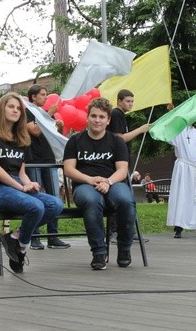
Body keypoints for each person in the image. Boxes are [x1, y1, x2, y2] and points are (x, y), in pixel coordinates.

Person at [0, 92, 64, 274]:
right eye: (11, 106)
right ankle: (22, 249)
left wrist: (30, 184)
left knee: (55, 205)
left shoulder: (21, 138)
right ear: (2, 109)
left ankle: (16, 238)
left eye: (18, 108)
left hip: (17, 184)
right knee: (36, 207)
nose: (15, 111)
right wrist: (21, 187)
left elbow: (22, 172)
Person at [63, 98, 136, 270]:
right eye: (94, 116)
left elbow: (122, 170)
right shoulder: (75, 141)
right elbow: (68, 169)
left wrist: (108, 182)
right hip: (84, 185)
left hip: (113, 183)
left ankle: (124, 248)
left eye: (102, 117)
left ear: (108, 120)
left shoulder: (117, 141)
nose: (97, 120)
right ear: (87, 117)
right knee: (92, 200)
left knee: (126, 200)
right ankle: (99, 252)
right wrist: (90, 179)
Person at [25, 84, 69, 250]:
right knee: (36, 197)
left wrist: (58, 125)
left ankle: (53, 235)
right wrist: (49, 115)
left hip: (49, 158)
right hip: (34, 160)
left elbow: (56, 135)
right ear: (33, 97)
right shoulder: (27, 111)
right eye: (42, 94)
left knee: (54, 197)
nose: (45, 97)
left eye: (46, 94)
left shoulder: (46, 114)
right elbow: (34, 131)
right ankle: (34, 236)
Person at [107, 89, 151, 242]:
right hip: (117, 163)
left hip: (122, 161)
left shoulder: (121, 115)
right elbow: (119, 139)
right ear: (119, 101)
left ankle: (125, 231)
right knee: (121, 197)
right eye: (128, 101)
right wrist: (140, 130)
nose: (131, 104)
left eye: (132, 101)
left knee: (124, 198)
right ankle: (117, 232)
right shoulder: (117, 114)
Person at [166, 106, 196, 238]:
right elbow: (169, 135)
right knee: (181, 196)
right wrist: (172, 114)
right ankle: (179, 227)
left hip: (195, 169)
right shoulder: (179, 131)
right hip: (182, 169)